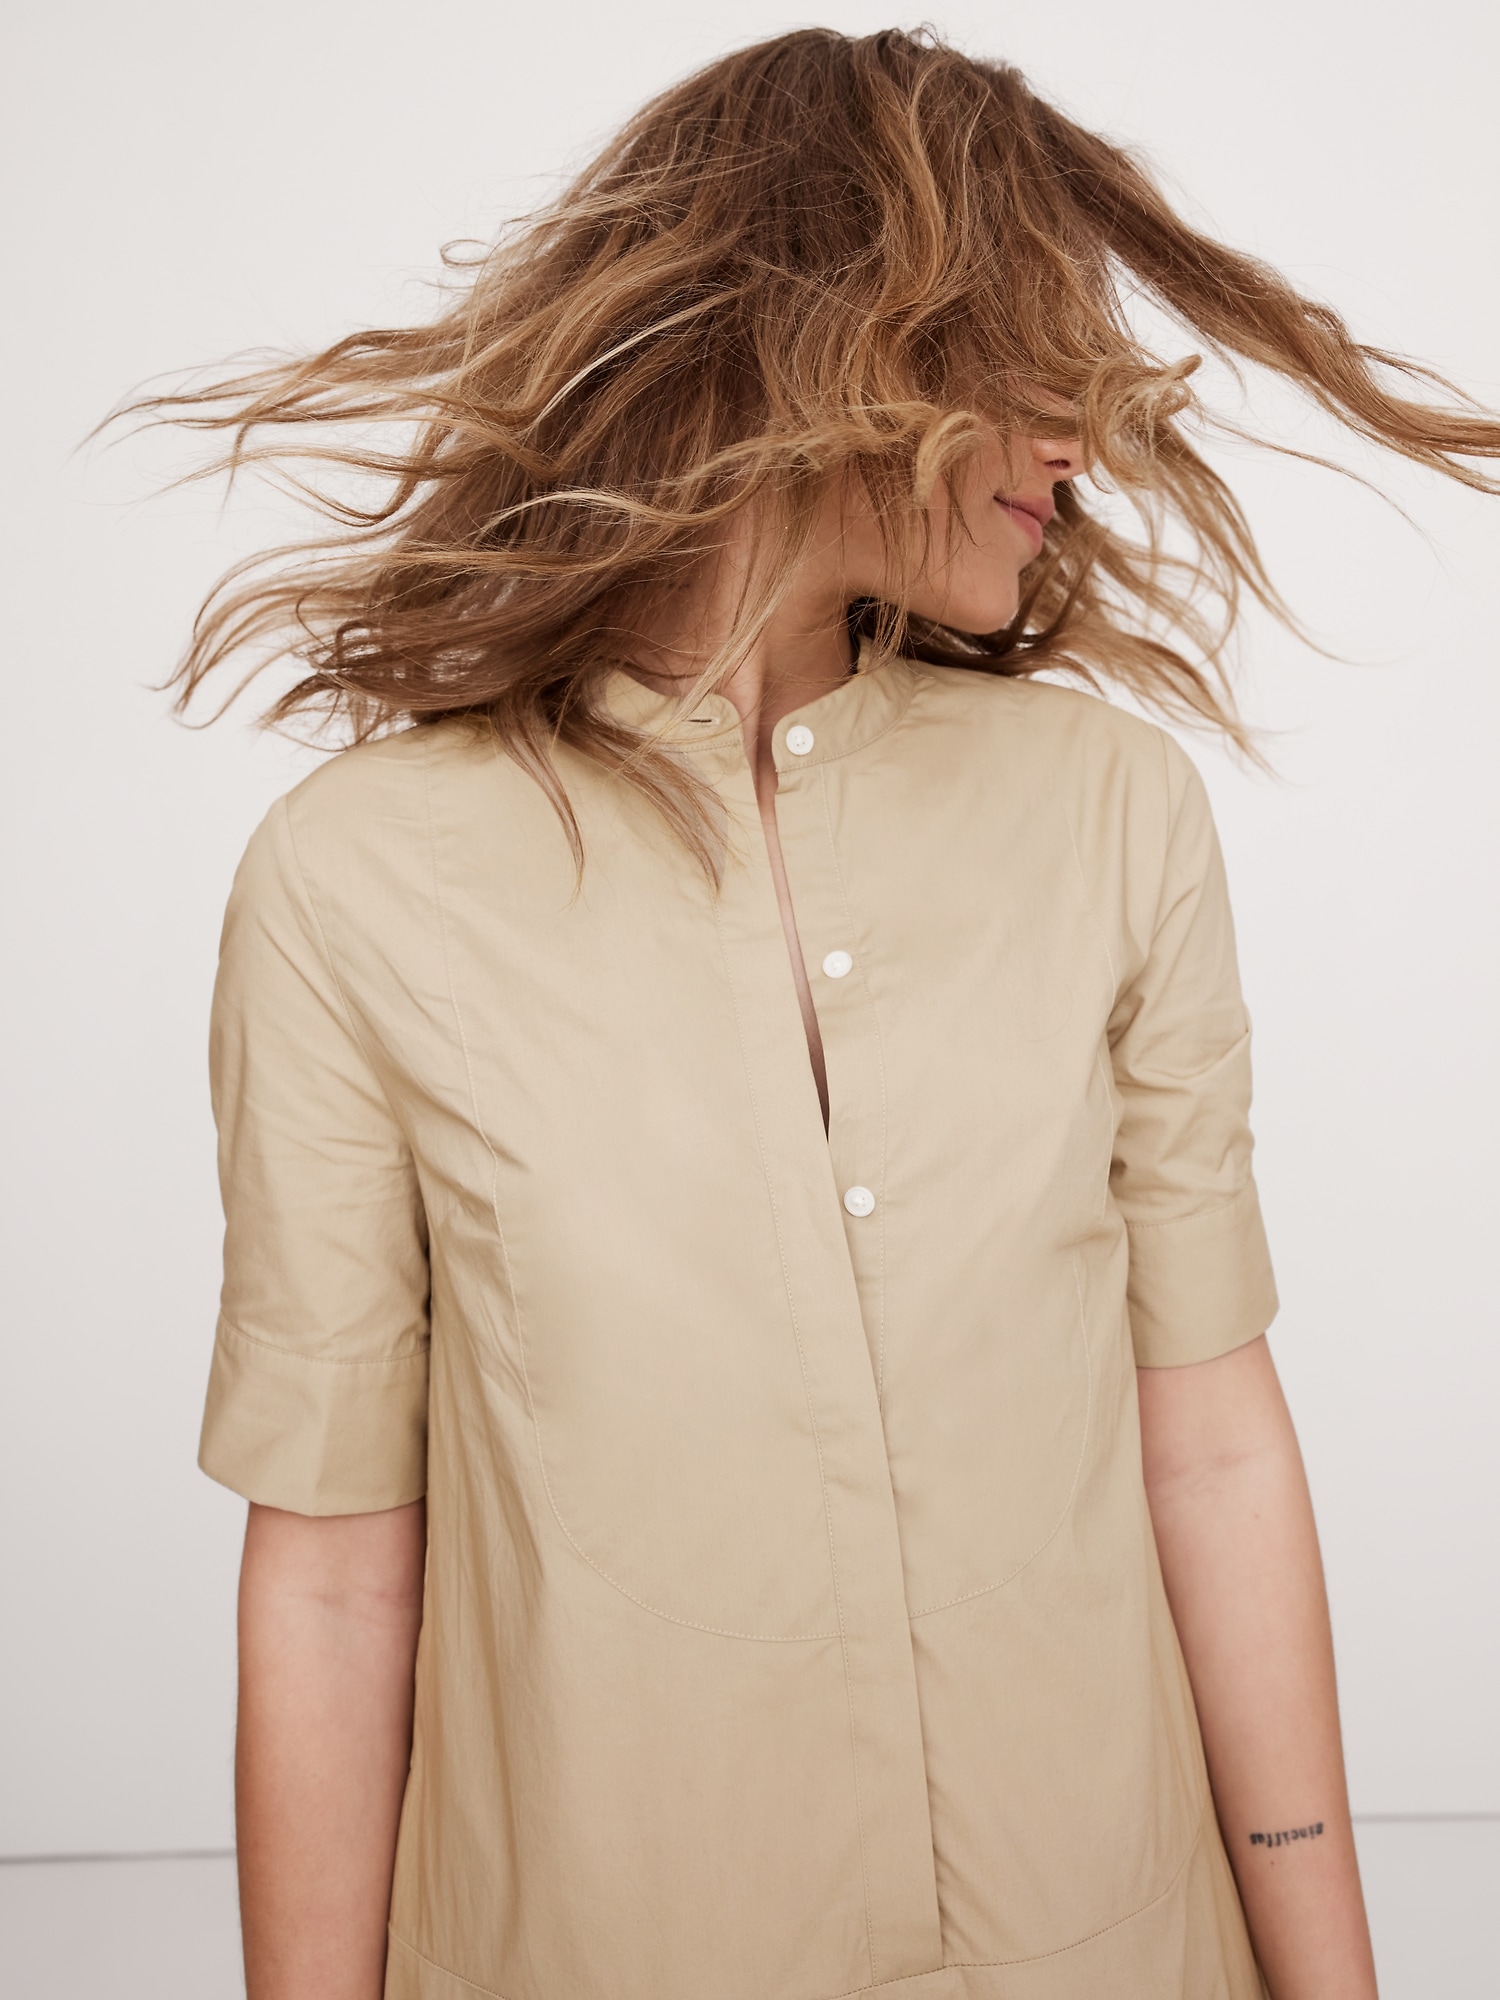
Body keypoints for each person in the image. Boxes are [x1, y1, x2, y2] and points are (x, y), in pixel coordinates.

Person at [148, 27, 1499, 2000]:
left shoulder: (1111, 814)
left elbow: (1209, 1442)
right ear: (850, 333)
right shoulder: (359, 882)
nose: (1082, 441)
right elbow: (339, 1570)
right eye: (1035, 356)